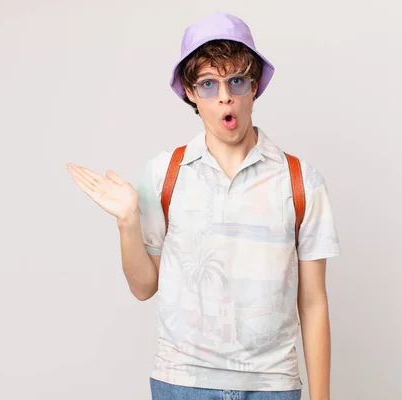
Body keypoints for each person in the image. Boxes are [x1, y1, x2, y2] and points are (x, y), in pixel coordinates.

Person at [67, 12, 341, 400]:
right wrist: (127, 221)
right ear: (190, 92)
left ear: (255, 85)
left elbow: (313, 303)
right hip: (181, 383)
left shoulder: (301, 181)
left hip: (272, 386)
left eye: (236, 81)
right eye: (209, 85)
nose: (225, 96)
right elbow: (145, 287)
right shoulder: (166, 172)